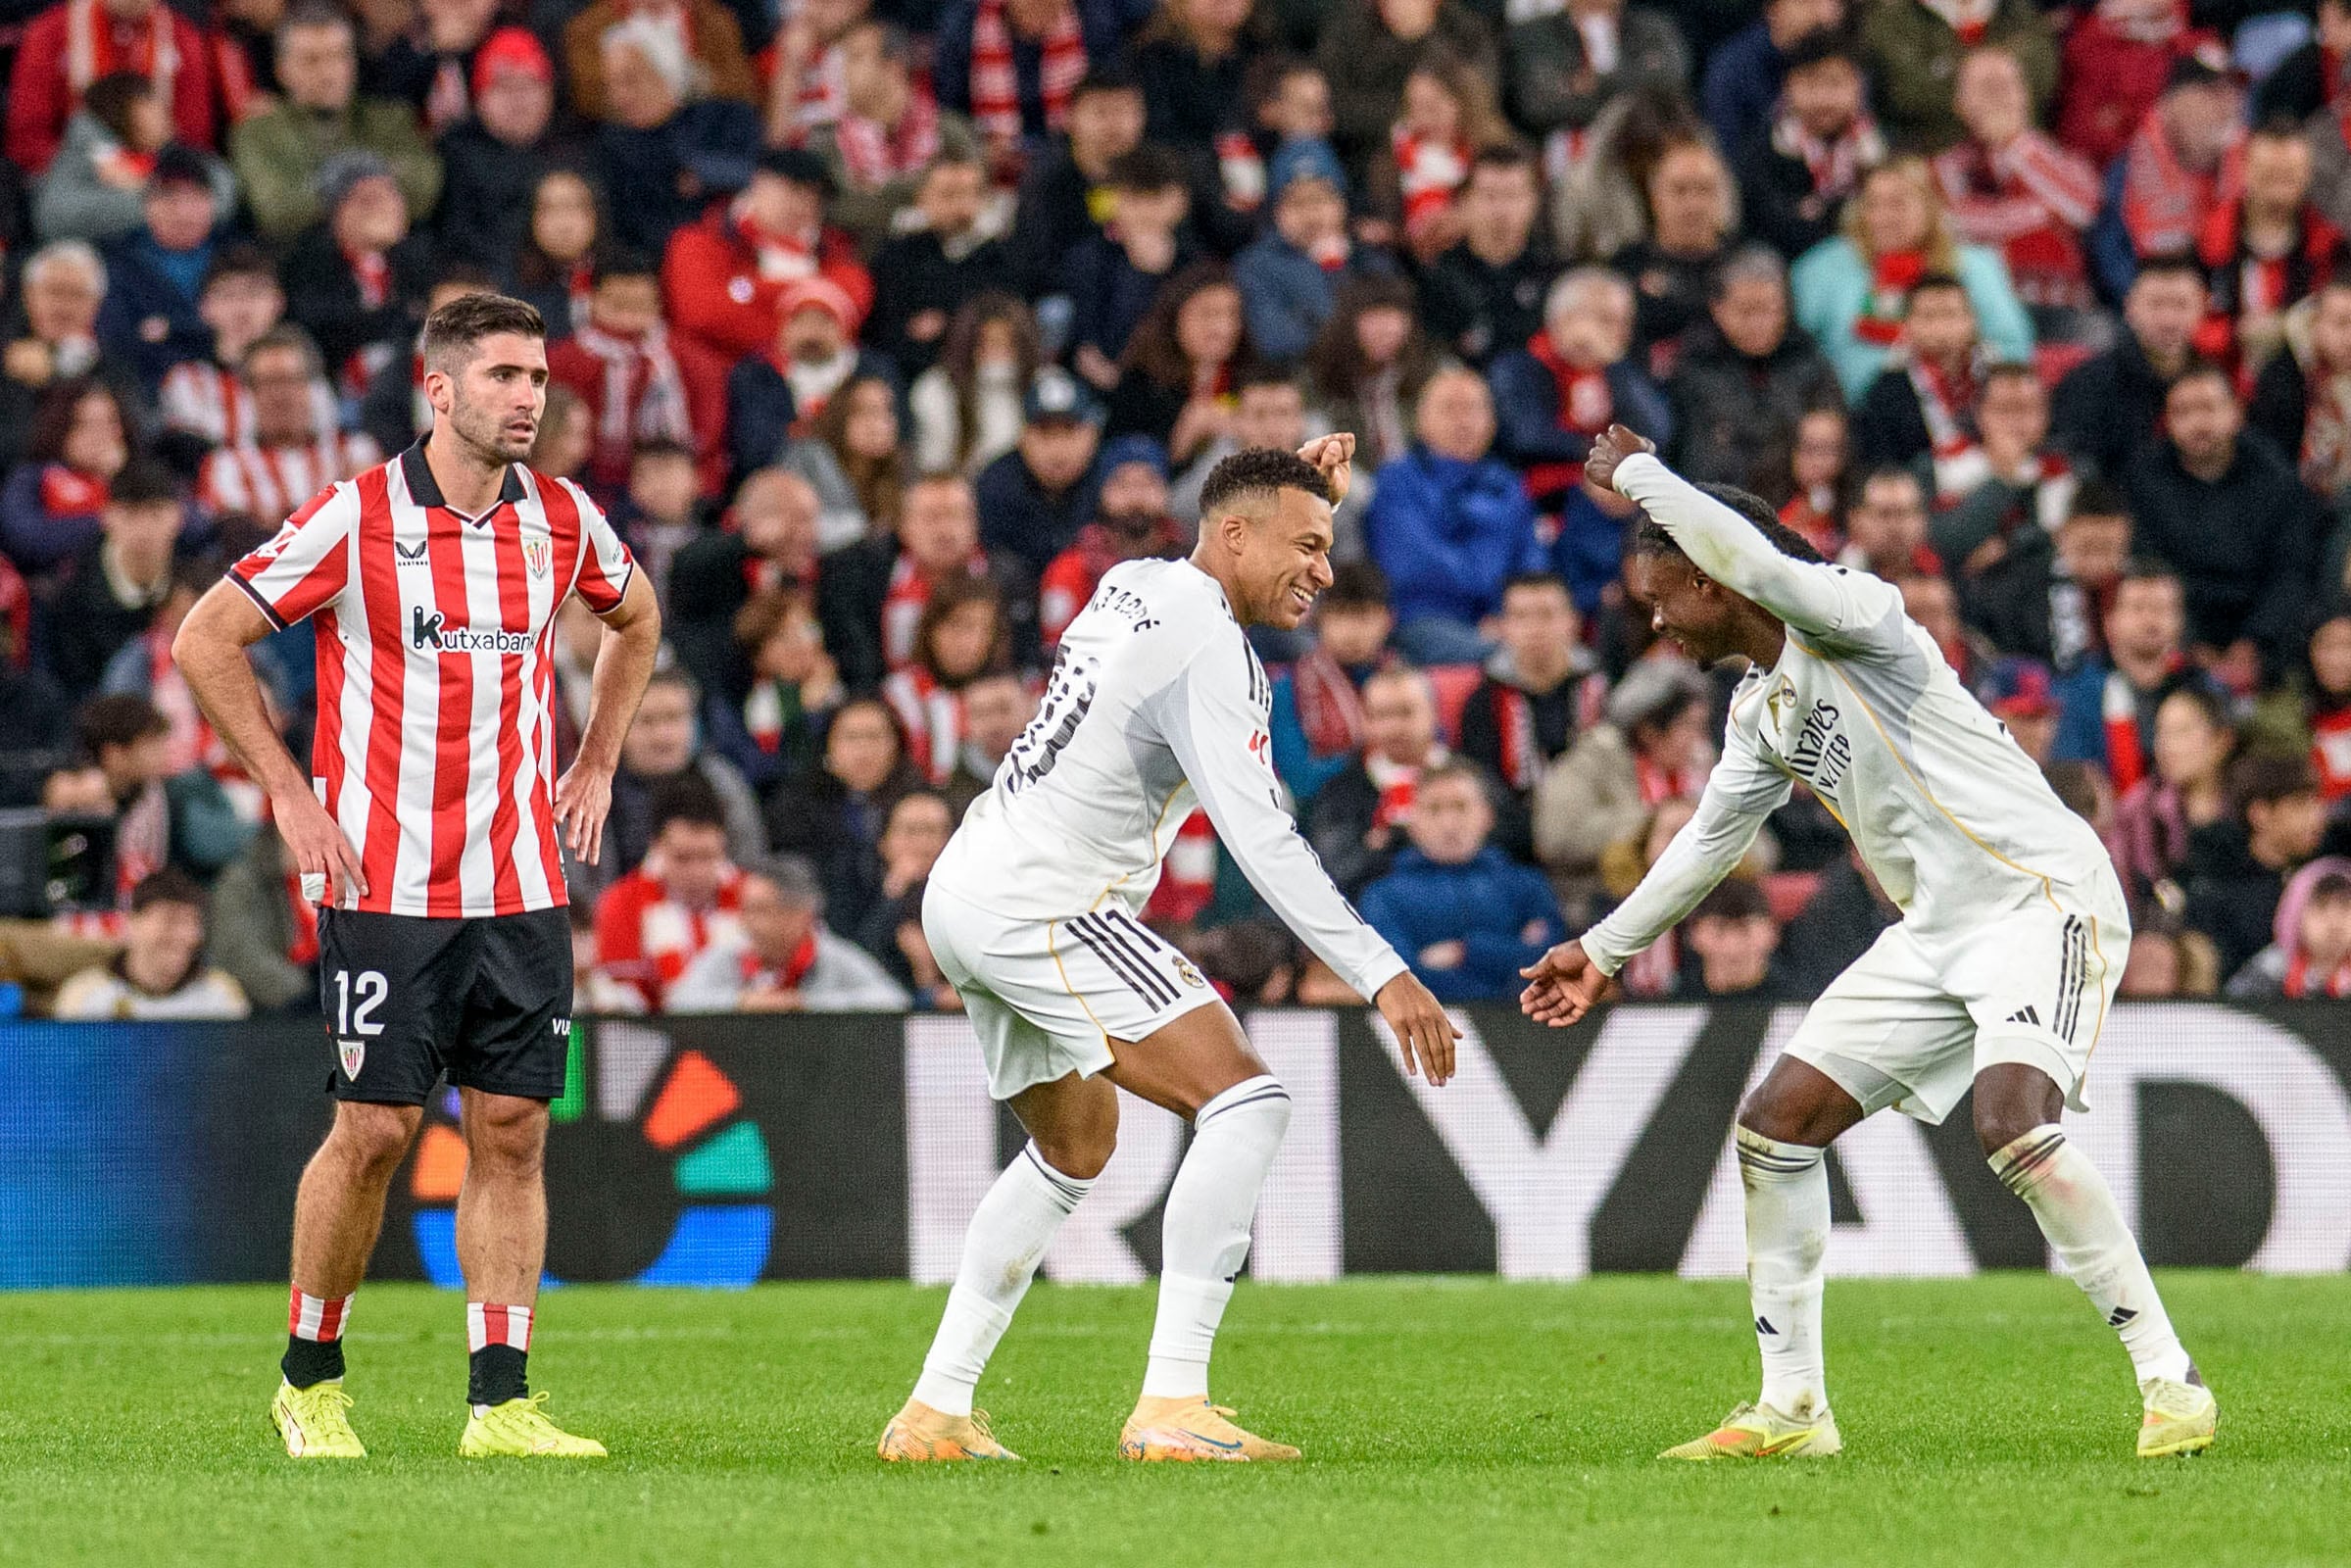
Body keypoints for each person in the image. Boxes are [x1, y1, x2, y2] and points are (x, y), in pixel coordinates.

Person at [1520, 424, 2214, 1463]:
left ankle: (2170, 1379)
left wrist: (1640, 477)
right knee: (1774, 1125)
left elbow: (1761, 561)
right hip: (1934, 932)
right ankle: (1791, 1410)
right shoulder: (1759, 710)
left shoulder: (1859, 615)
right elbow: (1710, 839)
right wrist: (1604, 949)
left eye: (1663, 593)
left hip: (2038, 899)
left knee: (2008, 1121)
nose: (1655, 619)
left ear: (1713, 577)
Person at [880, 437, 1455, 1466]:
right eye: (1306, 545)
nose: (1321, 570)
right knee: (1248, 1101)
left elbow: (1238, 499)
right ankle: (1173, 1405)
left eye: (1327, 548)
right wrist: (1382, 970)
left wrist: (1293, 475)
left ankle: (934, 1411)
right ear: (1233, 535)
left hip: (966, 889)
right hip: (1043, 905)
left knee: (1073, 1145)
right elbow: (1264, 840)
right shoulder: (1211, 651)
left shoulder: (1132, 581)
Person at [171, 291, 663, 1462]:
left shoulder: (561, 519)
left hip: (522, 885)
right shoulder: (356, 518)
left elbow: (636, 619)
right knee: (378, 1128)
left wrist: (595, 760)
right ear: (437, 392)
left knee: (512, 1129)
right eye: (502, 376)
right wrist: (290, 794)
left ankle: (500, 1402)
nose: (528, 398)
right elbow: (204, 636)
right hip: (386, 885)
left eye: (537, 378)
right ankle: (311, 1379)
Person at [2121, 364, 2320, 685]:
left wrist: (2253, 643)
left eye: (2208, 408)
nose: (2198, 423)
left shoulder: (2275, 477)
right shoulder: (2145, 481)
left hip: (2265, 646)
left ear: (2235, 413)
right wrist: (2191, 643)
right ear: (2168, 421)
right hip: (2176, 643)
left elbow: (2291, 570)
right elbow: (2150, 568)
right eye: (2183, 412)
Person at [1790, 156, 2033, 401]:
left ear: (1929, 206)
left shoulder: (1975, 266)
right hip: (1851, 415)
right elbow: (1794, 353)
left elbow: (2014, 350)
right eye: (1873, 204)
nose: (1883, 217)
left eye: (1897, 203)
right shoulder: (1821, 269)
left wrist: (1960, 355)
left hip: (1960, 414)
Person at [1364, 366, 1544, 663]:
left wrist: (1508, 615)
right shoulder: (1397, 481)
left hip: (1501, 624)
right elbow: (1412, 566)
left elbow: (1532, 560)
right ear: (1421, 420)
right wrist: (1491, 602)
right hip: (1424, 620)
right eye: (1449, 409)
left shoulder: (1509, 484)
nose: (1463, 421)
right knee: (1510, 660)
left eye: (1473, 409)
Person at [230, 2, 442, 246]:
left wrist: (324, 189)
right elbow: (276, 210)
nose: (328, 73)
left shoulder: (391, 119)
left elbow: (425, 189)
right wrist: (375, 184)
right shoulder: (258, 132)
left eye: (338, 56)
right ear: (282, 70)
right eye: (311, 60)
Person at [1359, 760, 1563, 1002]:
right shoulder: (1383, 897)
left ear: (1486, 815)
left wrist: (1465, 953)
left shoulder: (1527, 886)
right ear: (1413, 822)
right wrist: (1509, 959)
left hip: (1526, 1029)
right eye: (1434, 809)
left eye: (1460, 807)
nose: (1449, 823)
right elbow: (1398, 979)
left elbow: (1553, 963)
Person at [1932, 46, 2100, 333]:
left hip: (2059, 309)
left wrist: (2015, 145)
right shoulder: (1945, 169)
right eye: (1986, 87)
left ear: (2025, 96)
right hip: (1977, 312)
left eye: (2007, 85)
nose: (1998, 96)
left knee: (2099, 334)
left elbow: (2083, 212)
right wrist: (2039, 212)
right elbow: (1947, 226)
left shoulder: (2070, 163)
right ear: (1959, 103)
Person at [1490, 269, 1673, 519]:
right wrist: (1599, 464)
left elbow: (1657, 431)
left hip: (1614, 502)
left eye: (1624, 322)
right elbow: (1528, 437)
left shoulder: (1620, 372)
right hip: (1540, 505)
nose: (1621, 333)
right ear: (1564, 319)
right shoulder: (1518, 368)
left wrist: (1614, 366)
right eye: (1607, 320)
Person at [1665, 245, 1841, 497]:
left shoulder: (1809, 362)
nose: (1759, 324)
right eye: (1746, 312)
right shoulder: (1695, 367)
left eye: (1770, 310)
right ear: (1718, 309)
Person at [803, 22, 984, 251]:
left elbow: (975, 193)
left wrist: (877, 193)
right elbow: (832, 210)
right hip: (865, 264)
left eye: (855, 58)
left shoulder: (949, 130)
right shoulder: (826, 141)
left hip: (943, 261)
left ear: (893, 67)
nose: (840, 71)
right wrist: (926, 193)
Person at [666, 852, 911, 1010]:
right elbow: (678, 1002)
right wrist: (743, 1002)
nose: (746, 922)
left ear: (801, 915)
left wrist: (804, 1005)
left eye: (760, 910)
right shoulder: (727, 956)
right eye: (746, 909)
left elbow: (893, 1003)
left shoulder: (834, 957)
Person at [6, 0, 216, 177]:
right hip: (72, 173)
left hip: (160, 176)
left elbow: (194, 137)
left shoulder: (183, 38)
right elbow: (28, 137)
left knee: (216, 182)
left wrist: (143, 172)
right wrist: (95, 168)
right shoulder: (50, 32)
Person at [543, 251, 693, 497]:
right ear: (593, 300)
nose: (628, 317)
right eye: (618, 304)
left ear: (658, 304)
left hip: (656, 489)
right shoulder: (563, 360)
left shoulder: (680, 359)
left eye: (641, 305)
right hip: (579, 481)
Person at [591, 774, 746, 1012]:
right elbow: (618, 1000)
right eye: (682, 858)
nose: (697, 871)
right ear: (656, 847)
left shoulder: (752, 897)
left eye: (707, 856)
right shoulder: (621, 904)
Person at [198, 328, 383, 525]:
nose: (280, 395)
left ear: (313, 386)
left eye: (290, 380)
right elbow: (238, 535)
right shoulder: (225, 465)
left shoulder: (356, 451)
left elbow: (370, 520)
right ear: (249, 392)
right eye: (267, 383)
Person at [2049, 253, 2207, 477]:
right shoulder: (2087, 385)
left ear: (2202, 309)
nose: (2168, 320)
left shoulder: (2215, 383)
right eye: (2156, 304)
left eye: (2181, 305)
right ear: (2130, 308)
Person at [1732, 29, 1882, 263]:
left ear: (1857, 86)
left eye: (1834, 83)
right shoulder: (1761, 153)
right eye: (1810, 83)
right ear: (1788, 87)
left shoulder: (1882, 150)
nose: (1823, 98)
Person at [1455, 571, 1602, 809]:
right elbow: (1481, 783)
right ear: (1504, 626)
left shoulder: (1600, 688)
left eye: (1547, 615)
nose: (1535, 629)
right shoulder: (1484, 700)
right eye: (1521, 617)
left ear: (1572, 622)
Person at [865, 152, 1014, 379]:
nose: (962, 207)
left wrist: (944, 323)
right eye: (949, 195)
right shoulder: (895, 257)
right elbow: (887, 335)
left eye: (972, 193)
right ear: (922, 197)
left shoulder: (1000, 258)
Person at [2183, 750, 2328, 978]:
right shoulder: (2216, 891)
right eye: (2300, 805)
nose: (2318, 816)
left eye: (2317, 803)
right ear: (2259, 813)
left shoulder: (2327, 874)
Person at [1417, 143, 1556, 368]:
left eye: (1513, 195)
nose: (1501, 209)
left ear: (1534, 202)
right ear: (1464, 201)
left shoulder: (1555, 277)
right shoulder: (1435, 279)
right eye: (1489, 195)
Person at [1267, 561, 1395, 802]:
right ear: (1319, 619)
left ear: (1388, 620)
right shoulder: (1289, 687)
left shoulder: (1406, 682)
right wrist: (1367, 758)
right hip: (1325, 816)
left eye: (1364, 616)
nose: (1352, 630)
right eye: (1340, 615)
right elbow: (1301, 779)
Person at [52, 867, 250, 1019]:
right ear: (132, 923)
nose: (187, 935)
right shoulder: (86, 996)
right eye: (170, 920)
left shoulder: (219, 996)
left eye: (193, 923)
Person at [1850, 274, 1991, 472]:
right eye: (1928, 316)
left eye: (1950, 314)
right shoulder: (1885, 392)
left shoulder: (1998, 377)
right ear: (1907, 324)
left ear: (1972, 320)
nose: (1940, 328)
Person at [974, 368, 1105, 573]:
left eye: (1069, 431)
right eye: (1045, 433)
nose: (1057, 449)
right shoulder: (995, 486)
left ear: (1092, 435)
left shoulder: (1110, 480)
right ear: (1023, 436)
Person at [2223, 858, 2351, 996]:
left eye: (2345, 907)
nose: (2334, 923)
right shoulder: (2271, 969)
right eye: (2321, 907)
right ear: (2294, 914)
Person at [1676, 876, 1798, 1000]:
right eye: (1720, 929)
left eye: (1745, 929)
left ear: (1773, 931)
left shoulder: (1805, 1010)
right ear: (1693, 934)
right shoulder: (1670, 1011)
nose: (1733, 945)